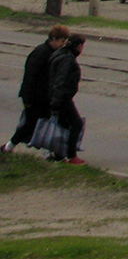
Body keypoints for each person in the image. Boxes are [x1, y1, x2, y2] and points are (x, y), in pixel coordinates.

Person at [2, 25, 69, 154]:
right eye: (61, 41)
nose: (63, 45)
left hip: (44, 97)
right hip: (35, 97)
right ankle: (8, 147)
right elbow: (30, 76)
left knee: (45, 124)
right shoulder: (41, 52)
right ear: (53, 39)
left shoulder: (52, 53)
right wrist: (28, 98)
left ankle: (47, 152)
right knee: (31, 124)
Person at [48, 34, 87, 165]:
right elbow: (61, 80)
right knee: (76, 124)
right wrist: (57, 102)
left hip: (59, 97)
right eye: (82, 46)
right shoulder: (67, 59)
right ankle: (71, 155)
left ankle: (59, 155)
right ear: (78, 46)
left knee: (63, 126)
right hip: (62, 98)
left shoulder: (60, 54)